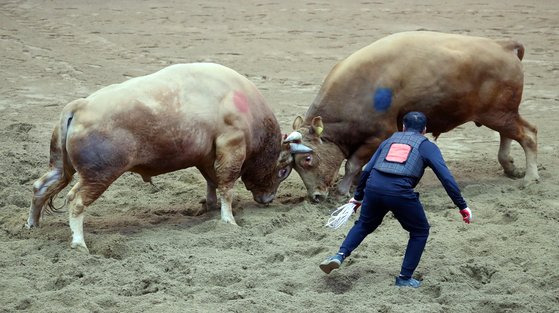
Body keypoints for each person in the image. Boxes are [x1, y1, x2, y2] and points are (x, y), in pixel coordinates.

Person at [319, 111, 473, 288]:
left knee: (364, 224)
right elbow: (445, 177)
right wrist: (462, 206)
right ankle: (404, 278)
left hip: (374, 187)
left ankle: (339, 255)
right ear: (424, 130)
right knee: (420, 231)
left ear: (403, 127)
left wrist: (358, 197)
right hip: (400, 191)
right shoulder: (426, 146)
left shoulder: (389, 141)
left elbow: (368, 169)